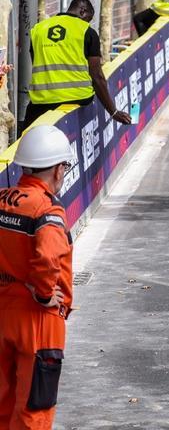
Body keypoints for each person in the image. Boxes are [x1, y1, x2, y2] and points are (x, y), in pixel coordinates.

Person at [0, 125, 75, 430]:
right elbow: (47, 257)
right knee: (34, 411)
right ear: (58, 169)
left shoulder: (3, 198)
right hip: (38, 320)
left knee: (3, 403)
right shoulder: (47, 210)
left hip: (3, 308)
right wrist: (44, 293)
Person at [23, 0, 133, 132]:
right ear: (82, 11)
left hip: (42, 98)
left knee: (25, 134)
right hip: (77, 97)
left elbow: (36, 60)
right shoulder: (86, 31)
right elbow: (97, 76)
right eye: (88, 19)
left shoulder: (38, 29)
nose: (87, 23)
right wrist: (114, 112)